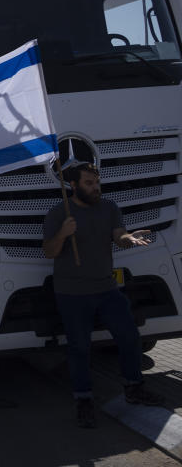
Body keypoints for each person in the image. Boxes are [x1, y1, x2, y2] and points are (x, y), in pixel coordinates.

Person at [43, 161, 163, 429]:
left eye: (97, 182)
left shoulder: (109, 208)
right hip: (71, 293)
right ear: (73, 185)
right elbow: (49, 252)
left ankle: (134, 387)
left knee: (130, 335)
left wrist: (129, 239)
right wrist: (63, 233)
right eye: (88, 183)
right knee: (79, 347)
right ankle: (83, 400)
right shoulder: (58, 213)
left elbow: (118, 235)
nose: (95, 188)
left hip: (106, 289)